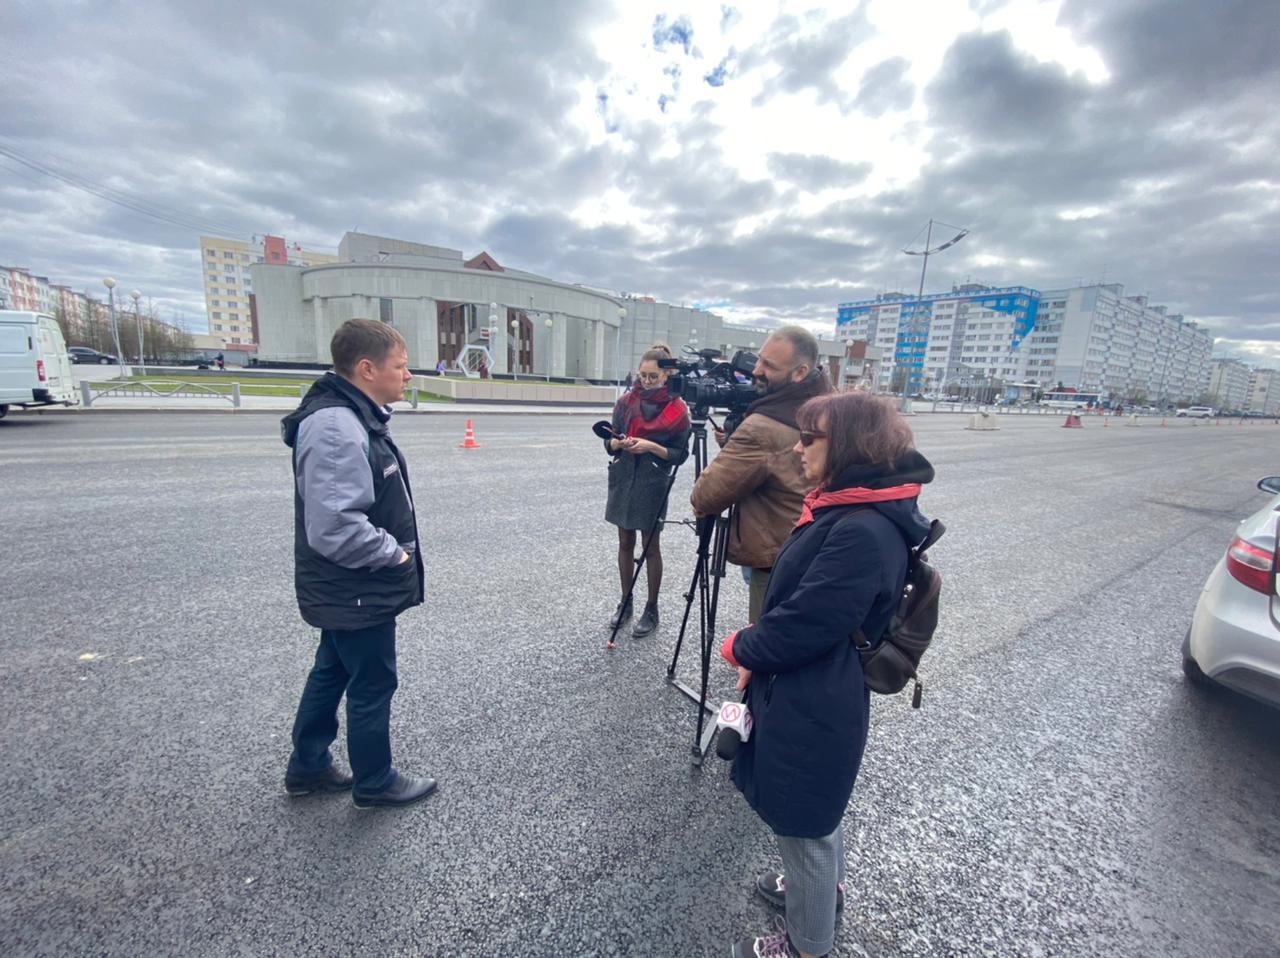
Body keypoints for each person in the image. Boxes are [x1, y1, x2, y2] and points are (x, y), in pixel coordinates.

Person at [720, 391, 935, 958]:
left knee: (805, 821)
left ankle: (807, 946)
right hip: (811, 684)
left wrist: (742, 646)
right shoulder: (851, 508)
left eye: (809, 438)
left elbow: (806, 624)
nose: (797, 447)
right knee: (817, 803)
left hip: (815, 693)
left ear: (846, 445)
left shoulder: (861, 529)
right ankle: (819, 891)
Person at [279, 319, 436, 809]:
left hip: (348, 585)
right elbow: (335, 528)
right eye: (400, 366)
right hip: (357, 584)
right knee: (372, 680)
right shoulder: (334, 426)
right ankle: (375, 781)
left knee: (332, 668)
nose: (407, 375)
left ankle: (308, 765)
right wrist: (396, 555)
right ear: (367, 369)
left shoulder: (351, 415)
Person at [689, 325, 833, 623]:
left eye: (769, 365)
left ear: (800, 372)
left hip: (776, 557)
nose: (757, 370)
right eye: (759, 359)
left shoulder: (764, 426)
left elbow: (706, 495)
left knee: (765, 644)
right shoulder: (832, 406)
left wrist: (742, 437)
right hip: (820, 551)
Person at [604, 344, 692, 637]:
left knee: (650, 546)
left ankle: (651, 608)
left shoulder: (678, 409)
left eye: (653, 376)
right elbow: (609, 441)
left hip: (652, 481)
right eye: (643, 375)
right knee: (624, 541)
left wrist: (650, 446)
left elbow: (680, 454)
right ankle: (625, 601)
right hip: (624, 474)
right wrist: (617, 443)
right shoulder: (625, 402)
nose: (647, 381)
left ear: (666, 375)